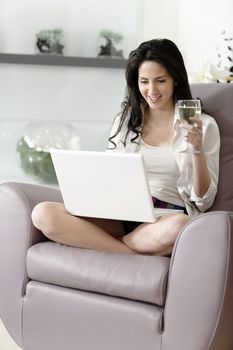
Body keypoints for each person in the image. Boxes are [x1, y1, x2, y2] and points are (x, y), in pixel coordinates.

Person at [32, 38, 220, 256]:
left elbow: (204, 201)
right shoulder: (126, 120)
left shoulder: (203, 125)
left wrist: (196, 150)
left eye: (160, 81)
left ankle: (105, 242)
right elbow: (110, 171)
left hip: (164, 219)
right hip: (120, 213)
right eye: (144, 81)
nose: (152, 90)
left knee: (180, 227)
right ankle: (129, 251)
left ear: (175, 80)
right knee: (42, 213)